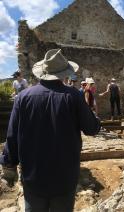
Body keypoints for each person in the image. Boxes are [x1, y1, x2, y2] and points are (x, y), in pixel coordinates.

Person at [0, 49, 100, 212]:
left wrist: (9, 163)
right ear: (64, 74)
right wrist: (96, 120)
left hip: (33, 175)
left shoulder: (23, 97)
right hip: (64, 176)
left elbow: (12, 136)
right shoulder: (73, 96)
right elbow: (91, 129)